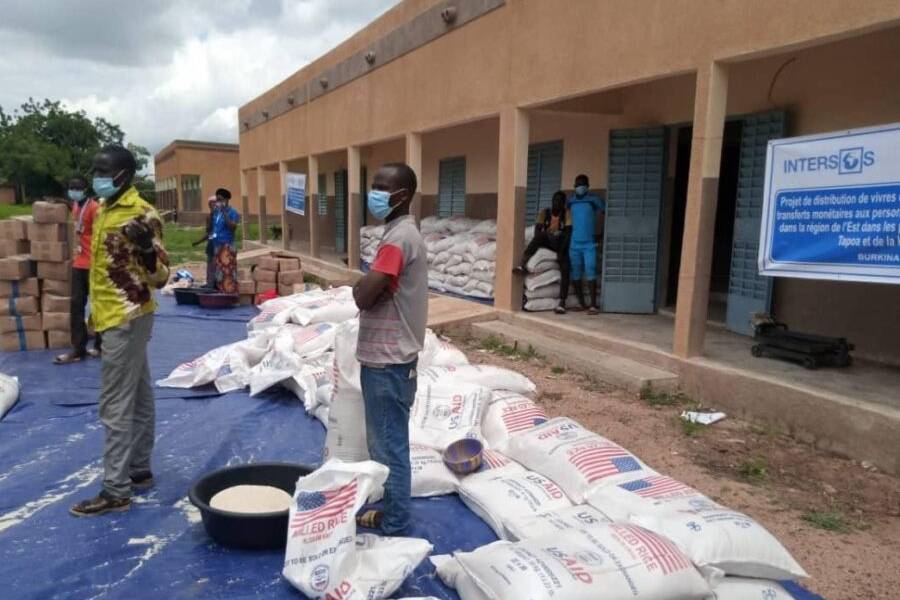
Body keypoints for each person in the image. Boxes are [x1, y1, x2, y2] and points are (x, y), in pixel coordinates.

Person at [70, 144, 170, 517]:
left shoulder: (143, 214)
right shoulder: (104, 208)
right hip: (112, 314)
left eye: (103, 172)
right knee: (139, 395)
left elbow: (161, 277)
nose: (96, 178)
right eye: (94, 170)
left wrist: (146, 249)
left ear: (123, 175)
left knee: (114, 404)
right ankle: (138, 469)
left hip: (126, 319)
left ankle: (115, 490)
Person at [352, 163, 427, 535]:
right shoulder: (401, 233)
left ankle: (395, 522)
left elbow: (364, 295)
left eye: (382, 188)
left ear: (403, 195)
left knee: (388, 447)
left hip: (386, 362)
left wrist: (362, 286)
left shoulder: (398, 240)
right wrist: (368, 284)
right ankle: (393, 512)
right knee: (390, 443)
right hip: (394, 361)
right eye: (374, 186)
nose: (375, 194)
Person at [53, 176, 102, 364]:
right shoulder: (75, 205)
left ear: (85, 189)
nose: (74, 190)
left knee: (98, 306)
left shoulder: (95, 208)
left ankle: (100, 345)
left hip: (94, 264)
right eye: (71, 187)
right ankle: (78, 348)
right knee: (76, 305)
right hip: (79, 263)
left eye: (77, 188)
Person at [513, 191, 572, 314]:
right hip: (548, 241)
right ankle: (522, 265)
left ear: (563, 203)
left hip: (561, 245)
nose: (557, 203)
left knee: (565, 268)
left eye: (560, 201)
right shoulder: (545, 213)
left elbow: (567, 234)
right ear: (552, 201)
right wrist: (541, 243)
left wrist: (561, 253)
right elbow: (537, 231)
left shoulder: (566, 214)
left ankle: (562, 302)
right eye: (555, 200)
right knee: (541, 236)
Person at [567, 174, 605, 314]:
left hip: (589, 244)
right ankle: (582, 303)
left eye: (583, 184)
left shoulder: (594, 200)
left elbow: (607, 213)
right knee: (576, 273)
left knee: (590, 271)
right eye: (578, 184)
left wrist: (602, 232)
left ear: (588, 186)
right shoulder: (570, 201)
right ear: (574, 186)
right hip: (574, 244)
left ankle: (593, 305)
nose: (580, 187)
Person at [209, 188, 240, 293]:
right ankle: (220, 292)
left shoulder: (233, 212)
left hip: (227, 247)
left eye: (220, 199)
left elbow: (232, 228)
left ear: (226, 200)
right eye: (217, 199)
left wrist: (225, 213)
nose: (218, 201)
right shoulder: (217, 212)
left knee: (228, 272)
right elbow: (213, 227)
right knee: (219, 272)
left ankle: (230, 293)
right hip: (217, 246)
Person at [191, 196, 218, 288]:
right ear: (209, 205)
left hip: (220, 244)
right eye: (212, 203)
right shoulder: (209, 217)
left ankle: (216, 284)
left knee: (217, 265)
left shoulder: (221, 217)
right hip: (211, 244)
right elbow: (209, 233)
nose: (214, 205)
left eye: (215, 203)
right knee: (210, 265)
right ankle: (210, 284)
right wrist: (198, 242)